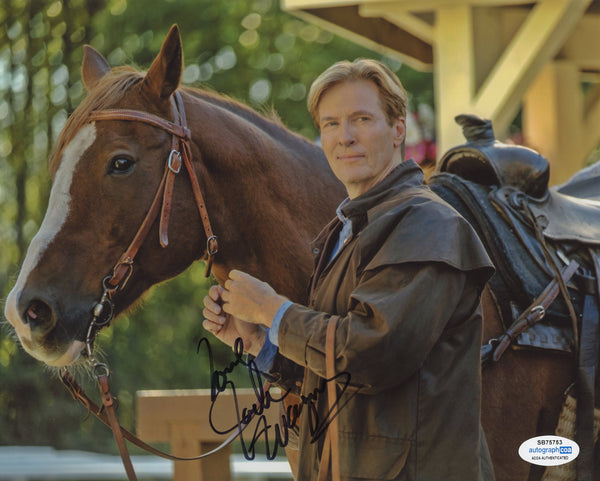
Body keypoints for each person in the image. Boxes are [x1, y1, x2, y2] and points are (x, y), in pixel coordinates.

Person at [203, 59, 496, 481]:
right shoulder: (347, 231)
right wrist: (257, 341)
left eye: (362, 119)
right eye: (330, 124)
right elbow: (334, 378)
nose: (346, 137)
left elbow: (372, 354)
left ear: (398, 130)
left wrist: (272, 310)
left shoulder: (426, 224)